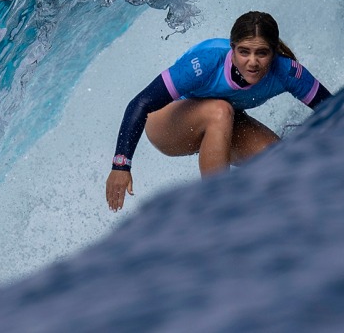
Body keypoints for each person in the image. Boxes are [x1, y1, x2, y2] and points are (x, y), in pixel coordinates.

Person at [106, 11, 332, 211]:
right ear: (232, 50)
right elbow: (141, 103)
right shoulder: (206, 62)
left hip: (224, 124)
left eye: (262, 53)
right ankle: (216, 213)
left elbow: (334, 109)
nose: (252, 62)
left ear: (273, 53)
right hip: (167, 123)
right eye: (244, 52)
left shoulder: (287, 72)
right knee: (220, 110)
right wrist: (121, 165)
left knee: (280, 162)